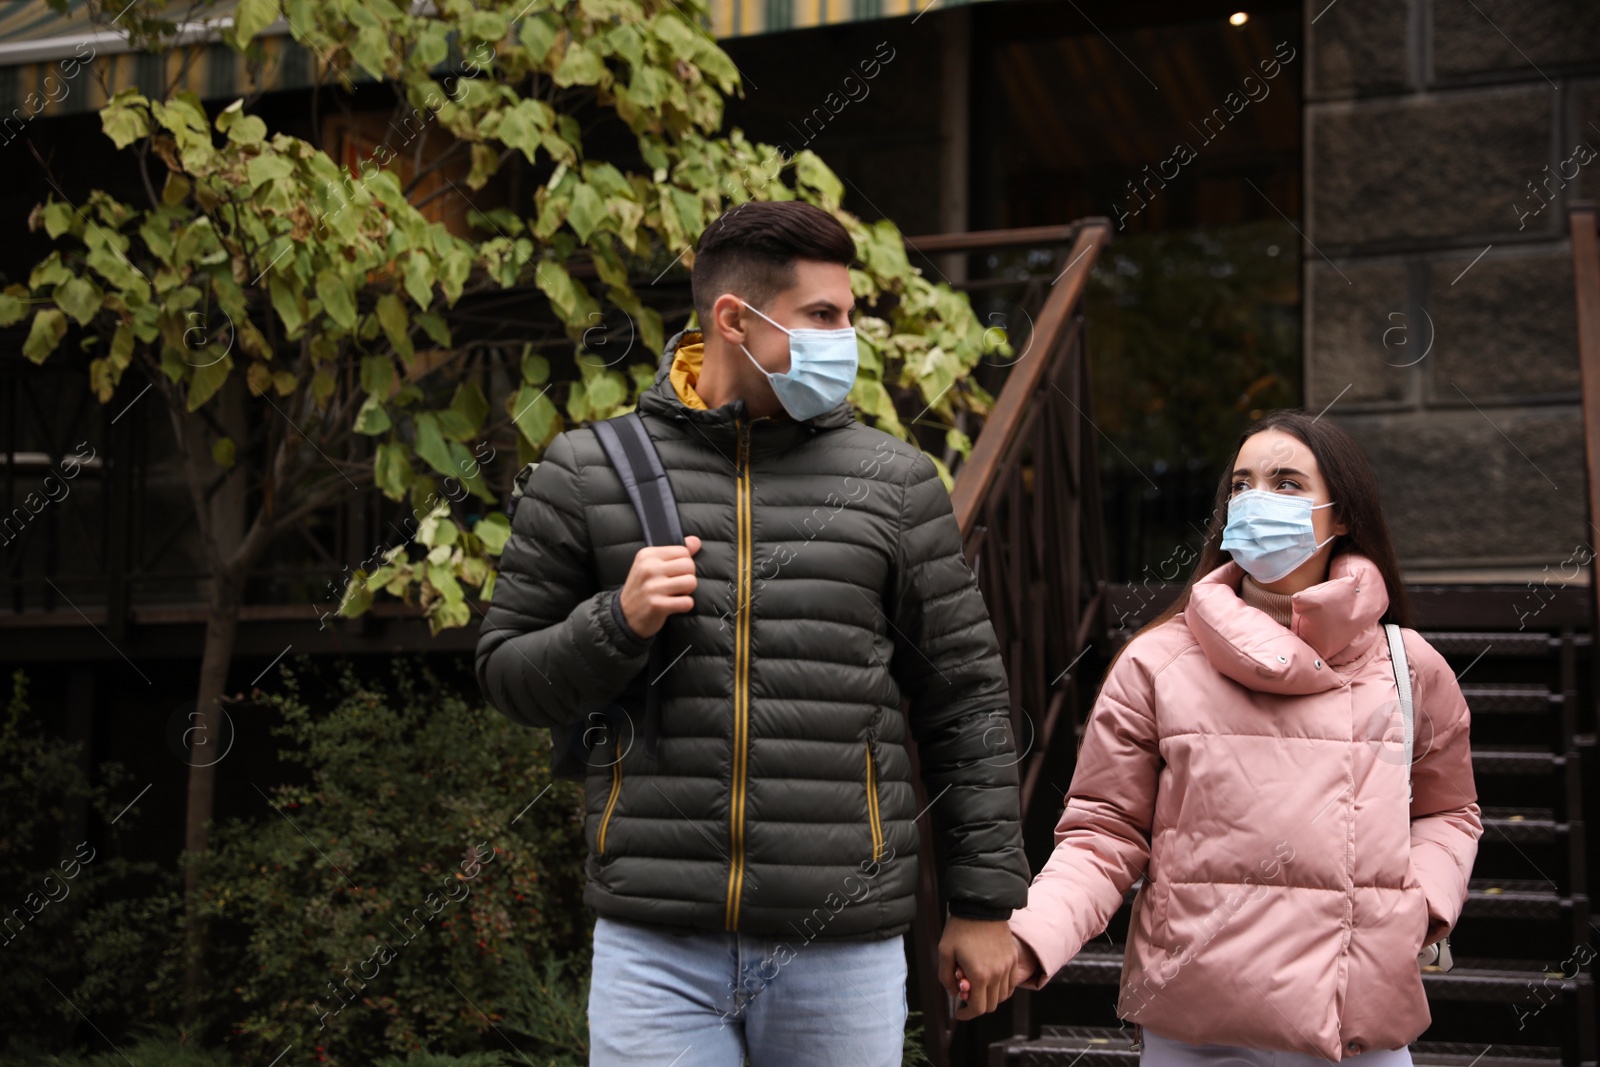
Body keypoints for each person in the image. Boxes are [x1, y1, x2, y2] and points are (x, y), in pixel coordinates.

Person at [474, 199, 1030, 1066]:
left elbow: (966, 701)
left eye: (848, 317)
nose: (845, 338)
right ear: (734, 318)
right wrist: (614, 622)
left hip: (841, 941)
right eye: (821, 316)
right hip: (656, 943)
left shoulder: (894, 483)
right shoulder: (589, 472)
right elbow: (506, 673)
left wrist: (984, 902)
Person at [996, 410, 1482, 1064]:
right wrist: (1031, 937)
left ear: (1342, 516)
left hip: (1358, 1027)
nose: (1258, 501)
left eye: (1286, 483)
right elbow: (1104, 832)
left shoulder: (1409, 665)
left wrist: (1413, 907)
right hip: (1195, 1033)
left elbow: (1449, 809)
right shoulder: (1156, 662)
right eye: (1243, 485)